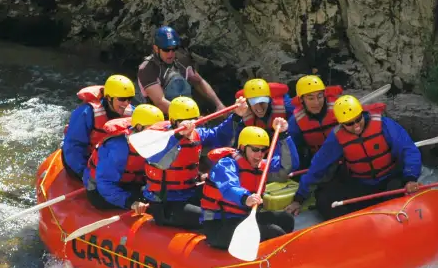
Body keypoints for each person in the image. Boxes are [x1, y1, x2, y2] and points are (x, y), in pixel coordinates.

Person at [285, 95, 421, 220]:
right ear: (341, 123)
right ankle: (357, 225)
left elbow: (409, 150)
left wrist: (410, 178)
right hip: (361, 184)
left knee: (400, 190)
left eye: (358, 119)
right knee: (324, 200)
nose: (356, 126)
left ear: (362, 113)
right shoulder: (337, 137)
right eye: (350, 123)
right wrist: (299, 198)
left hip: (390, 180)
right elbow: (318, 166)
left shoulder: (384, 125)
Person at [141, 96, 248, 230]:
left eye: (194, 121)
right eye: (185, 122)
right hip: (166, 204)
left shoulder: (196, 134)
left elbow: (218, 136)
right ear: (174, 121)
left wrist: (236, 117)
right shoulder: (160, 140)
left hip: (189, 193)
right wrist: (178, 136)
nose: (191, 126)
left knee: (229, 209)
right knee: (211, 218)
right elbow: (159, 160)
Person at [200, 124, 299, 250]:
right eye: (255, 150)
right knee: (273, 232)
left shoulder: (260, 165)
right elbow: (229, 188)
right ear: (242, 147)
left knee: (286, 219)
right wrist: (246, 198)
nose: (259, 155)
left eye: (263, 150)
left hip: (243, 218)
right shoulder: (226, 164)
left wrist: (284, 135)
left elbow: (289, 165)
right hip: (219, 224)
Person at [82, 104, 165, 213]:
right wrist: (130, 202)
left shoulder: (152, 141)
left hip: (130, 182)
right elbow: (105, 183)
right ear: (139, 127)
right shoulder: (118, 147)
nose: (157, 134)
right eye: (153, 129)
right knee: (152, 205)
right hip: (100, 190)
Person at [62, 74, 136, 181]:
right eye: (122, 99)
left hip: (109, 163)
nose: (126, 103)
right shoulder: (87, 113)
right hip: (84, 161)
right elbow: (74, 146)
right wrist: (85, 174)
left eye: (130, 99)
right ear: (109, 98)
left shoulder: (132, 113)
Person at [137, 25, 225, 114]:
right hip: (162, 119)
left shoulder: (181, 59)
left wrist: (219, 105)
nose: (171, 54)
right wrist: (188, 115)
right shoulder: (147, 69)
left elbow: (199, 82)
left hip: (187, 114)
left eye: (174, 49)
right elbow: (160, 102)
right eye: (166, 50)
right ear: (156, 48)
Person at [286, 74, 344, 169]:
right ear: (301, 99)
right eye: (311, 98)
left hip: (344, 156)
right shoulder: (295, 122)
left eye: (320, 96)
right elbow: (293, 152)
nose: (316, 103)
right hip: (318, 161)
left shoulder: (339, 108)